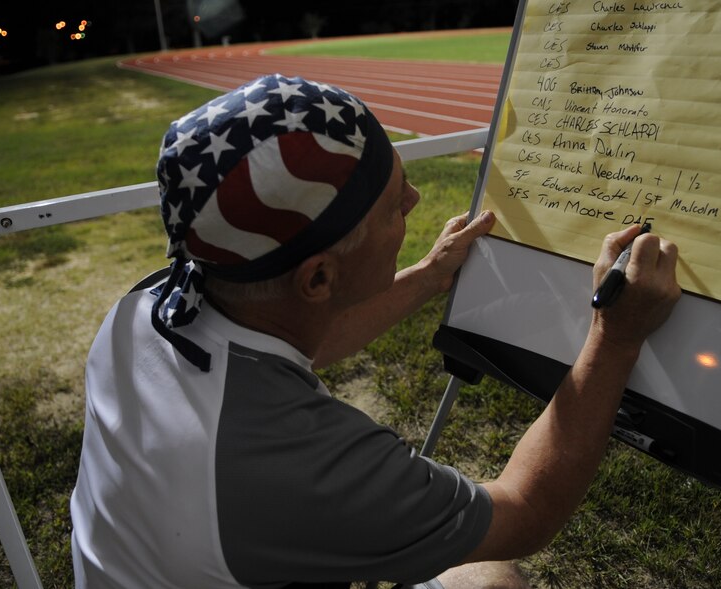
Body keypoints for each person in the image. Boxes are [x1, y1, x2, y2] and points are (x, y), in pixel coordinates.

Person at [70, 74, 681, 589]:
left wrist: (426, 277)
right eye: (393, 204)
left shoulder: (152, 303)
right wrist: (615, 335)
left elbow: (309, 340)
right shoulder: (306, 464)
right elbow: (526, 512)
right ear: (317, 280)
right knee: (491, 578)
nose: (415, 200)